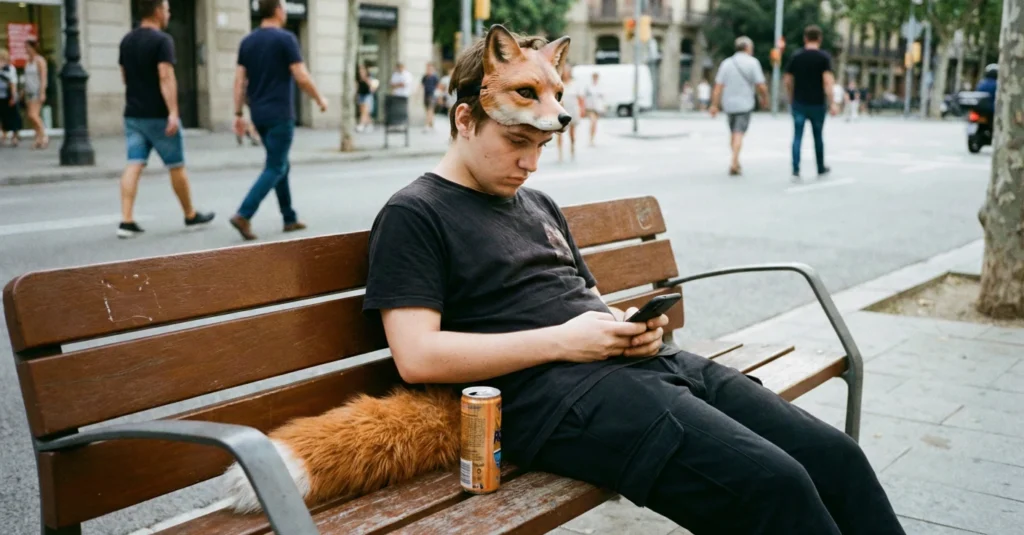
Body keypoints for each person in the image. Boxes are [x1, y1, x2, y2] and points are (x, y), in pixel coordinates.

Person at [363, 27, 906, 535]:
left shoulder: (537, 203)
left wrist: (627, 328)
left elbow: (588, 300)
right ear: (464, 120)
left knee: (836, 457)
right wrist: (566, 341)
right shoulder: (416, 213)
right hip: (556, 402)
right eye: (515, 142)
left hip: (643, 366)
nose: (529, 162)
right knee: (775, 487)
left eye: (541, 146)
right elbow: (417, 356)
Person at [230, 0, 328, 241]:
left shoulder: (247, 42)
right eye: (283, 6)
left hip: (259, 115)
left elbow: (239, 81)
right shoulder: (286, 39)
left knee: (280, 163)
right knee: (275, 166)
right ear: (277, 10)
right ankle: (244, 213)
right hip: (280, 114)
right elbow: (301, 76)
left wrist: (238, 114)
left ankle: (289, 217)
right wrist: (319, 98)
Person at [116, 0, 215, 239]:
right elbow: (166, 76)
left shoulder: (126, 41)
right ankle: (190, 214)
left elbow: (124, 76)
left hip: (133, 113)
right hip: (158, 115)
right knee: (176, 165)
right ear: (158, 11)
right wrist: (172, 112)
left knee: (134, 163)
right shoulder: (162, 41)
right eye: (168, 8)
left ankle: (126, 220)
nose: (169, 13)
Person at [709, 36, 768, 176]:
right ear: (748, 48)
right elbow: (761, 85)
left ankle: (735, 159)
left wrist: (714, 105)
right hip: (745, 104)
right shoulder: (753, 63)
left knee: (733, 133)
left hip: (728, 104)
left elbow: (718, 87)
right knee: (739, 133)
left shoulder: (726, 63)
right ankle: (734, 161)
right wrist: (764, 98)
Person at [784, 25, 835, 181]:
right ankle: (820, 167)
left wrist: (791, 96)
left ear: (805, 38)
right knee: (818, 136)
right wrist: (832, 102)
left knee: (797, 136)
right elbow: (827, 82)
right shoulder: (824, 58)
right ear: (819, 39)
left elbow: (787, 79)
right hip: (817, 103)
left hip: (799, 102)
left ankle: (795, 169)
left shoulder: (796, 57)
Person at [22, 38, 48, 149]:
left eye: (28, 47)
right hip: (29, 91)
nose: (26, 49)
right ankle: (38, 138)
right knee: (32, 117)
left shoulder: (40, 60)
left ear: (33, 48)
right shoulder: (27, 61)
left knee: (33, 115)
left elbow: (43, 77)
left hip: (37, 91)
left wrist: (42, 92)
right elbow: (26, 77)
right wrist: (23, 90)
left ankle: (44, 136)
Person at [556, 63, 584, 162]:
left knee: (572, 133)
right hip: (561, 110)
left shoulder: (575, 83)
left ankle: (572, 147)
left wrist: (582, 110)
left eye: (567, 71)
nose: (565, 73)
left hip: (573, 110)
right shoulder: (558, 83)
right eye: (564, 71)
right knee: (559, 132)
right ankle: (560, 153)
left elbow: (580, 98)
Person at [0, 48, 22, 147]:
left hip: (9, 96)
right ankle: (3, 135)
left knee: (13, 116)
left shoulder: (10, 69)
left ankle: (15, 136)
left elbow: (13, 83)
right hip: (1, 96)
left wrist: (13, 97)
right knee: (2, 116)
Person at [582, 72, 603, 146]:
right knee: (592, 122)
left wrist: (603, 107)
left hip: (597, 107)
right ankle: (590, 138)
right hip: (590, 107)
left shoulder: (600, 87)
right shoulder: (588, 86)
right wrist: (584, 108)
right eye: (594, 77)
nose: (595, 79)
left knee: (595, 124)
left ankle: (592, 137)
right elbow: (584, 97)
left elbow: (602, 98)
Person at [421, 62, 439, 131]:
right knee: (428, 110)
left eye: (430, 68)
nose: (428, 69)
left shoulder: (434, 77)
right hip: (426, 95)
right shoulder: (425, 77)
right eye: (427, 68)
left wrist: (438, 96)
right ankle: (431, 124)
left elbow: (438, 86)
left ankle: (426, 125)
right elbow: (421, 85)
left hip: (432, 95)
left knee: (430, 110)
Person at [357, 63, 374, 132]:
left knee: (364, 111)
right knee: (363, 111)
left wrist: (366, 79)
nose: (361, 71)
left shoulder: (368, 77)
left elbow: (372, 87)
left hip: (367, 95)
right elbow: (357, 87)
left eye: (362, 69)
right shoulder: (358, 78)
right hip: (361, 95)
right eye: (360, 69)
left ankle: (361, 125)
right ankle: (370, 125)